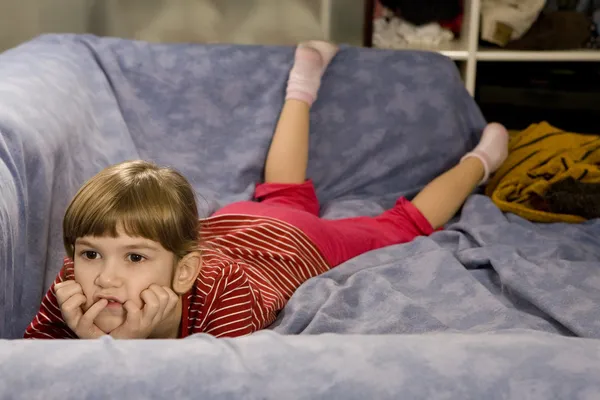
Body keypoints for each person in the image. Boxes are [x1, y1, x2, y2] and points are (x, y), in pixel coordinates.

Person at [23, 41, 509, 340]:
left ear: (185, 273)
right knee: (283, 192)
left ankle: (481, 161)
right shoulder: (73, 284)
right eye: (90, 254)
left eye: (133, 258)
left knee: (400, 225)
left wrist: (152, 336)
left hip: (295, 241)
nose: (104, 278)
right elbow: (32, 357)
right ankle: (304, 79)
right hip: (235, 219)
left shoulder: (226, 293)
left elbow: (208, 371)